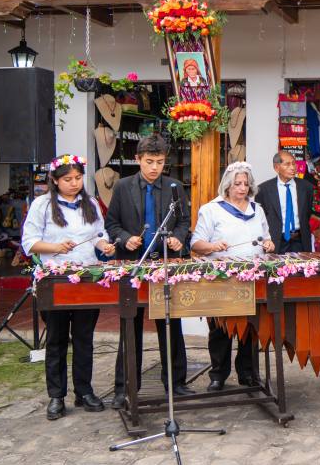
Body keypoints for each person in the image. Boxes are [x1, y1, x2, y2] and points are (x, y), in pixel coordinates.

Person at [22, 154, 116, 420]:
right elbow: (29, 242)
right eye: (67, 179)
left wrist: (104, 246)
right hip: (56, 279)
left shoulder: (92, 204)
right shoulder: (42, 204)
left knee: (85, 338)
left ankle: (84, 391)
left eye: (77, 178)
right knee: (57, 338)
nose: (74, 183)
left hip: (86, 277)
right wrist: (55, 247)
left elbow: (99, 235)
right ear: (54, 180)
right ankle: (56, 396)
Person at [104, 135, 193, 409]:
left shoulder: (175, 186)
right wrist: (125, 238)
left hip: (166, 263)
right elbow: (112, 223)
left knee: (171, 324)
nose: (155, 167)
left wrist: (178, 238)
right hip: (134, 263)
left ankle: (176, 382)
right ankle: (125, 387)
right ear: (138, 160)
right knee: (130, 326)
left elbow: (184, 220)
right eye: (149, 162)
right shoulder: (122, 186)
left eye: (160, 162)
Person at [191, 162, 275, 391]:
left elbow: (267, 238)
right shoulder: (211, 209)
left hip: (252, 278)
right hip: (221, 278)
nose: (242, 188)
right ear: (227, 185)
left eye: (246, 184)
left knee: (250, 328)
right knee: (220, 330)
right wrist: (212, 245)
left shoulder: (257, 209)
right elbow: (196, 244)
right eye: (237, 183)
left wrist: (268, 243)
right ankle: (218, 374)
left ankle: (247, 373)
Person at [255, 151, 313, 254]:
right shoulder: (263, 190)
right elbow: (260, 218)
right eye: (287, 164)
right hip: (276, 242)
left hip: (300, 241)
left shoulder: (306, 187)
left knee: (302, 269)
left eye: (294, 163)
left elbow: (307, 213)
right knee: (276, 269)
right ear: (276, 168)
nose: (293, 167)